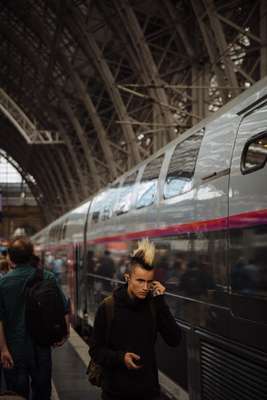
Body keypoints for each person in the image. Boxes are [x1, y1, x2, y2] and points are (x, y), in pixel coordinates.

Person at [89, 239, 181, 400]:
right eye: (140, 281)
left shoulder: (153, 306)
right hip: (115, 394)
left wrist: (161, 302)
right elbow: (96, 350)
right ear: (127, 278)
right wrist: (120, 358)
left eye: (149, 282)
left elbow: (174, 339)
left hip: (148, 392)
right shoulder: (108, 307)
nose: (145, 287)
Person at [0, 237, 70, 400]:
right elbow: (64, 308)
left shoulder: (3, 284)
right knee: (42, 393)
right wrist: (63, 334)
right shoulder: (48, 277)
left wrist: (3, 350)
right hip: (41, 347)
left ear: (10, 257)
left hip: (14, 350)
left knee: (17, 394)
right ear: (32, 254)